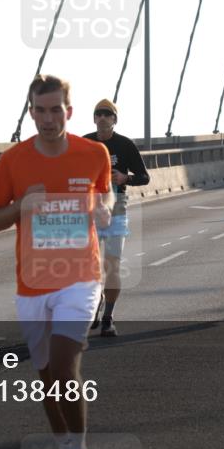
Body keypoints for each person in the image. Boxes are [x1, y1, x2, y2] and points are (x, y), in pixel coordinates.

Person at [0, 74, 112, 449]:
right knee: (47, 378)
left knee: (62, 366)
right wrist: (21, 205)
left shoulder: (94, 153)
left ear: (68, 112)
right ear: (31, 113)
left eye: (55, 109)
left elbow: (104, 192)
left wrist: (103, 207)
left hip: (81, 278)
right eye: (40, 110)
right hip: (32, 285)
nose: (48, 118)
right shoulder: (13, 161)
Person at [84, 98, 150, 337]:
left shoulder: (125, 145)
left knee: (112, 266)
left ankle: (108, 317)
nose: (102, 117)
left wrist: (125, 178)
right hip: (89, 209)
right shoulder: (84, 143)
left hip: (117, 209)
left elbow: (144, 177)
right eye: (98, 114)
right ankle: (95, 301)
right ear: (94, 118)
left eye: (107, 114)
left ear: (114, 119)